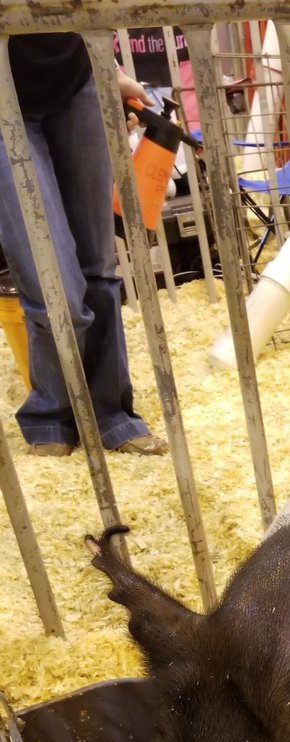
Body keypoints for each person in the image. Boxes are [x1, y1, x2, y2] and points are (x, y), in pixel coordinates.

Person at [0, 33, 168, 456]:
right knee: (51, 281)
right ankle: (53, 412)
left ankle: (112, 412)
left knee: (99, 263)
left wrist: (109, 69)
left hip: (78, 78)